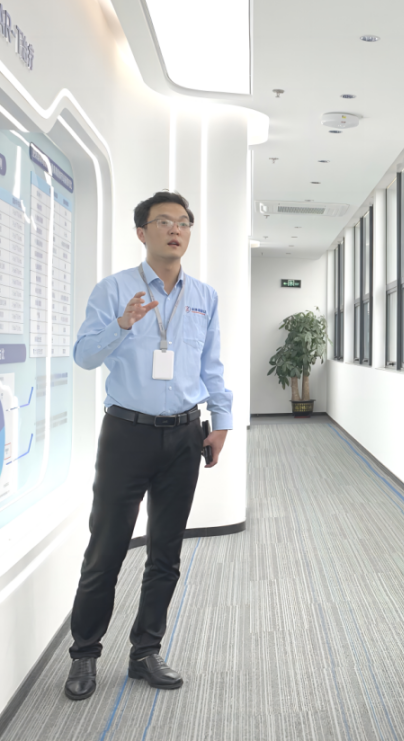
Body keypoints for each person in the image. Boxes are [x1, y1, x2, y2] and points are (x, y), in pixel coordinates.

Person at [64, 191, 232, 701]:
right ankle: (84, 653)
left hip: (184, 434)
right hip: (127, 434)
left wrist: (221, 421)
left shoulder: (204, 295)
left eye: (183, 222)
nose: (175, 229)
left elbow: (212, 365)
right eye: (164, 221)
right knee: (106, 549)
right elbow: (84, 356)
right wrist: (121, 325)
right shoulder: (115, 289)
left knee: (166, 552)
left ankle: (146, 651)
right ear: (142, 232)